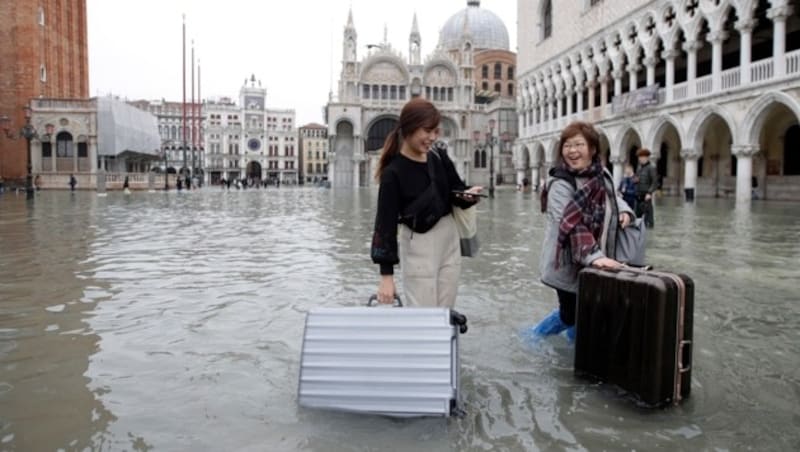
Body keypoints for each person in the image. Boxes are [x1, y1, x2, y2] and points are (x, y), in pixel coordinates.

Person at [370, 98, 484, 308]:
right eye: (427, 131)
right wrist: (386, 276)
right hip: (417, 245)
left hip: (449, 239)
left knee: (445, 311)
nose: (432, 137)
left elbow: (455, 188)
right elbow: (384, 225)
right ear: (409, 128)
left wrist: (467, 196)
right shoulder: (393, 173)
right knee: (423, 314)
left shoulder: (438, 156)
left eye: (436, 131)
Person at [533, 121, 635, 340]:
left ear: (593, 149)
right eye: (567, 145)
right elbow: (568, 224)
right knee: (570, 314)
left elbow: (614, 197)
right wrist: (595, 257)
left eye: (579, 144)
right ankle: (533, 338)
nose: (572, 151)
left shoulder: (600, 174)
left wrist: (625, 212)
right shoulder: (561, 182)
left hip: (596, 255)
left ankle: (574, 350)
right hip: (569, 260)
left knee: (586, 309)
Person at [634, 148, 658, 228]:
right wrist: (635, 180)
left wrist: (649, 193)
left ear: (646, 157)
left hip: (646, 197)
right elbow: (636, 179)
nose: (639, 159)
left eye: (641, 157)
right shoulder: (639, 168)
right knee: (637, 219)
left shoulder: (651, 168)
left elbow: (655, 182)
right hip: (638, 196)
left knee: (648, 219)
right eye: (639, 157)